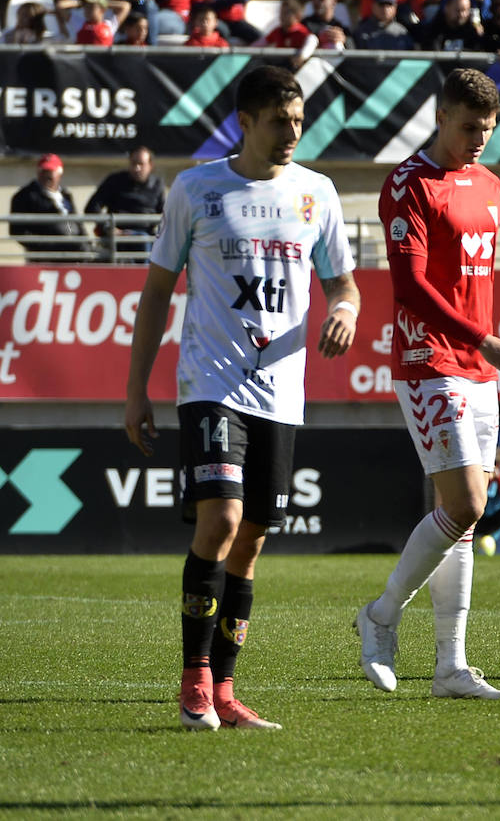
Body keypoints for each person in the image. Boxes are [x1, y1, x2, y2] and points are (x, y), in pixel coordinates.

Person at [123, 64, 360, 731]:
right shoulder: (197, 189)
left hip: (282, 396)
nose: (293, 132)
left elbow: (344, 284)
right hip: (211, 384)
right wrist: (136, 390)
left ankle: (226, 690)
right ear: (247, 123)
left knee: (251, 543)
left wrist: (344, 310)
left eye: (299, 121)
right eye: (280, 121)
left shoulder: (318, 192)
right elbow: (156, 293)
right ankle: (193, 681)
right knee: (221, 522)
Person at [355, 67, 500, 702]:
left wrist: (484, 345)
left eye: (487, 129)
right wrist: (481, 337)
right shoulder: (408, 185)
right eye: (467, 127)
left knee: (459, 518)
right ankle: (380, 615)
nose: (479, 139)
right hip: (430, 359)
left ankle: (450, 668)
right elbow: (410, 287)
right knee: (467, 505)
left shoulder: (489, 184)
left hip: (479, 368)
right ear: (440, 117)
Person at [87, 145, 166, 260]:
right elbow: (92, 208)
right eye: (133, 163)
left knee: (146, 241)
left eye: (141, 164)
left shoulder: (157, 185)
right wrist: (108, 228)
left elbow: (165, 216)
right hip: (117, 236)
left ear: (150, 166)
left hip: (146, 235)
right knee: (141, 240)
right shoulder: (114, 181)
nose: (136, 168)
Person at [9, 153, 96, 259]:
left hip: (74, 255)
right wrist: (49, 246)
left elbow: (71, 222)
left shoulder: (65, 195)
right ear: (38, 172)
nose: (46, 175)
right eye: (43, 171)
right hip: (46, 259)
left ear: (59, 173)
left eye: (50, 171)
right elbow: (18, 230)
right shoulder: (25, 196)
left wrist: (84, 244)